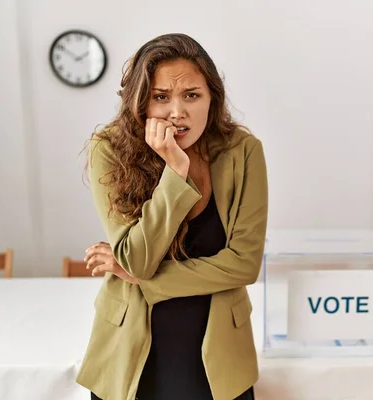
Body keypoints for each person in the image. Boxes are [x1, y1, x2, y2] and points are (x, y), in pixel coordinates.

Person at [76, 33, 268, 400]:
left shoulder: (243, 152)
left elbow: (244, 265)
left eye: (191, 95)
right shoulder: (109, 150)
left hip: (219, 352)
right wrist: (175, 170)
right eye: (161, 97)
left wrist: (143, 280)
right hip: (129, 349)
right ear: (140, 103)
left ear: (213, 98)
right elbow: (138, 257)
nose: (177, 112)